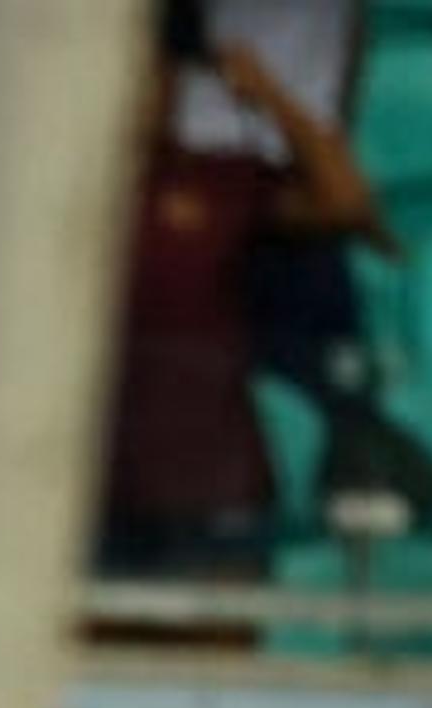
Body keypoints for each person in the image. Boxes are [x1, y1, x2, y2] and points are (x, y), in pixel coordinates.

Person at [97, 0, 386, 591]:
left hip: (214, 477)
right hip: (92, 477)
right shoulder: (59, 193)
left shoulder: (222, 179)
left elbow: (348, 203)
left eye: (153, 74)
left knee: (219, 666)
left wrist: (269, 95)